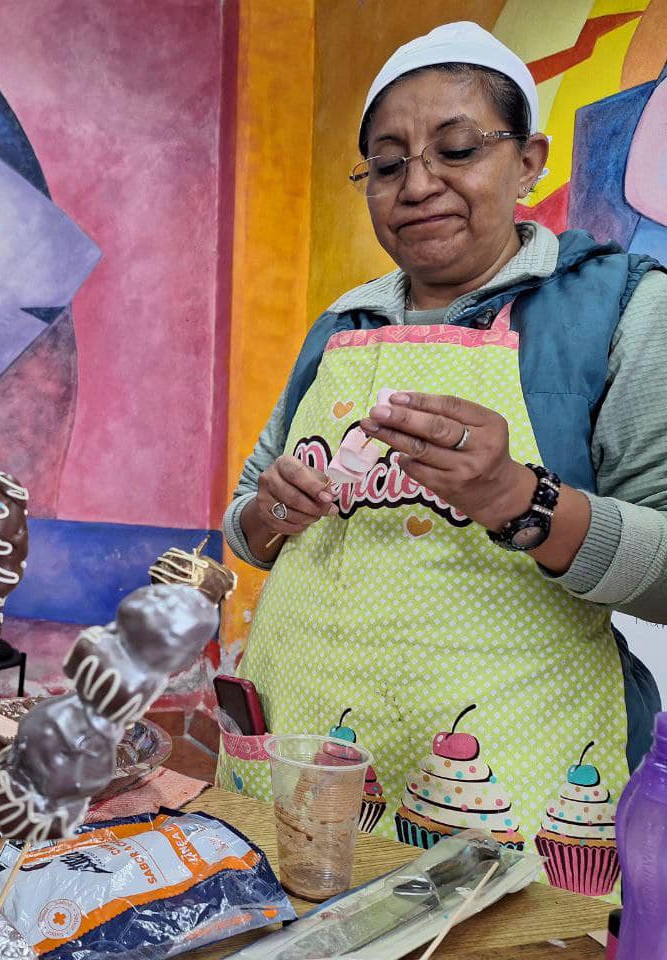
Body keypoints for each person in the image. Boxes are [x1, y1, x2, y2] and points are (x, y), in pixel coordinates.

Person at [218, 22, 665, 881]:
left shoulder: (621, 312)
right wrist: (272, 508)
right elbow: (247, 525)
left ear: (529, 161)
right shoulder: (342, 325)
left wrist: (520, 500)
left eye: (457, 149)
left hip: (512, 768)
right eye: (387, 166)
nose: (418, 185)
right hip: (302, 747)